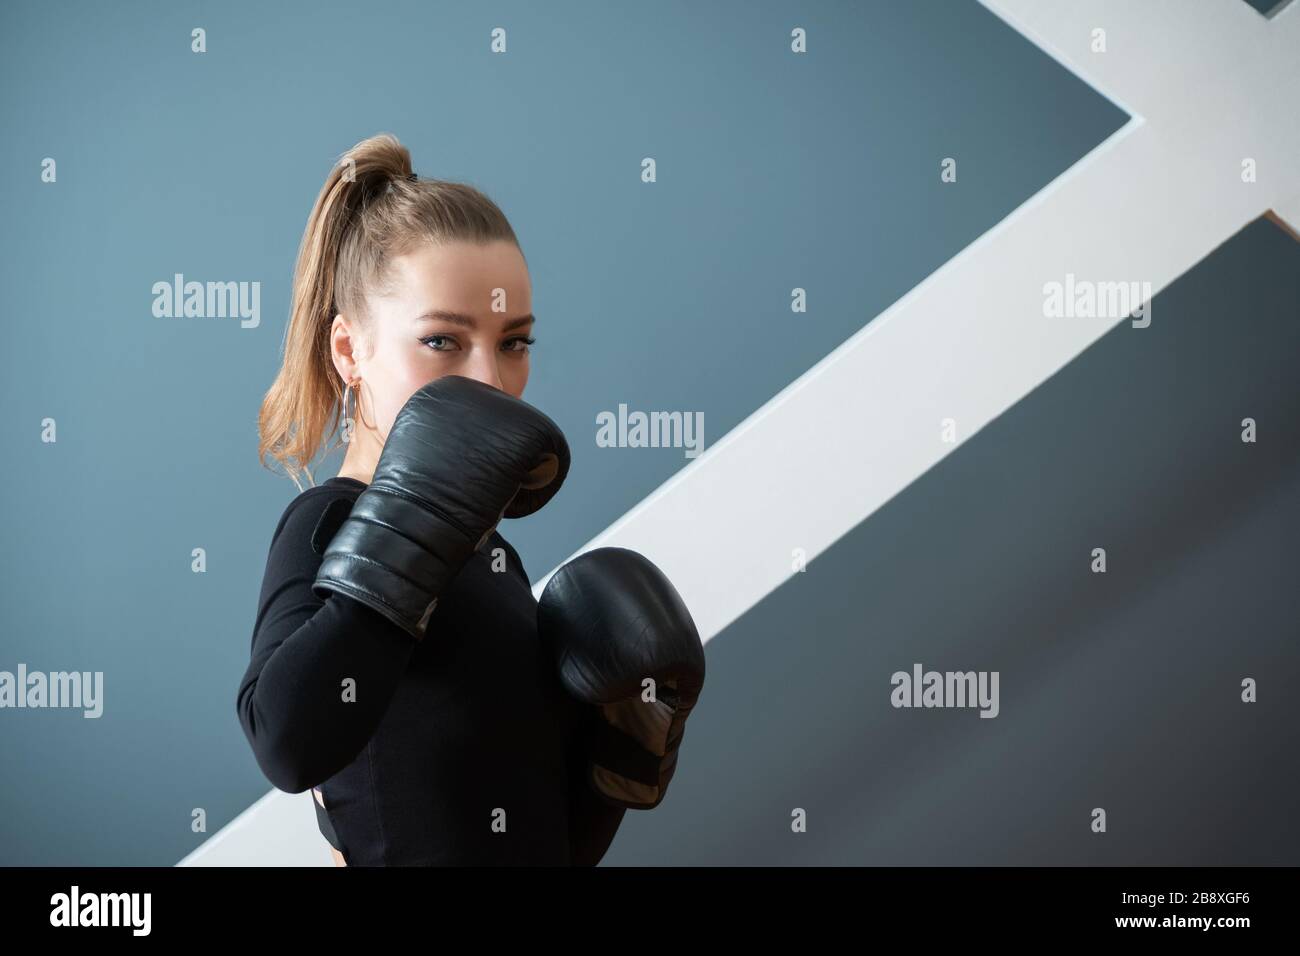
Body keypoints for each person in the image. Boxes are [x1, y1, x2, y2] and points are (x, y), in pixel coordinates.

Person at [235, 133, 704, 866]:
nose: (488, 377)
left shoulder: (495, 561)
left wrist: (621, 752)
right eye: (443, 342)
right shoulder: (326, 523)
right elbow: (286, 745)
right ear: (349, 351)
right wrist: (400, 547)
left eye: (514, 343)